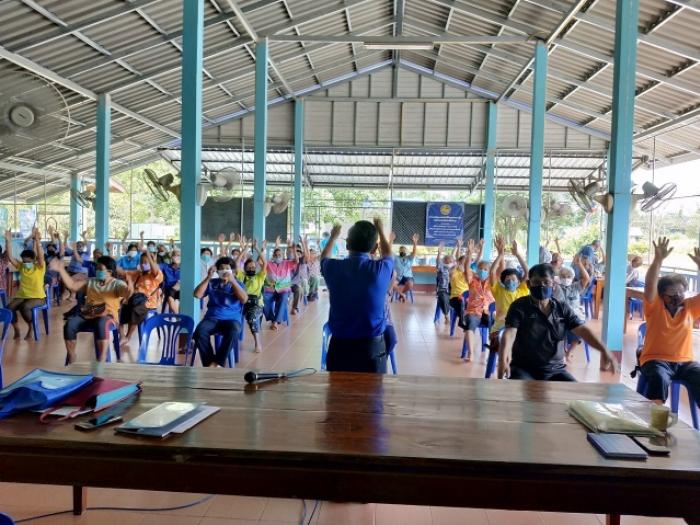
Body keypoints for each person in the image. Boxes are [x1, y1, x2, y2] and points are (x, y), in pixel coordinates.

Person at [498, 263, 618, 381]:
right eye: (536, 282)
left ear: (553, 285)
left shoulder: (562, 307)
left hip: (555, 370)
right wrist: (503, 358)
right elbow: (510, 333)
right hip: (523, 368)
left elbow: (581, 330)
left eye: (546, 282)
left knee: (576, 392)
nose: (541, 286)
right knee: (523, 392)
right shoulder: (519, 306)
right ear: (529, 284)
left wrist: (604, 349)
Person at [321, 218, 393, 373]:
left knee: (338, 389)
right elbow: (388, 254)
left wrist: (333, 237)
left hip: (339, 349)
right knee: (373, 390)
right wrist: (380, 230)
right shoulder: (381, 270)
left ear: (347, 245)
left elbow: (323, 258)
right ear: (374, 248)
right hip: (372, 350)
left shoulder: (333, 268)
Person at [637, 238, 700, 409]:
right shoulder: (654, 306)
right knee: (659, 377)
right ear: (662, 294)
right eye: (672, 292)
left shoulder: (690, 307)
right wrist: (658, 260)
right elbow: (650, 284)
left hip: (685, 362)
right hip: (655, 360)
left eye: (681, 292)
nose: (677, 296)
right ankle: (655, 415)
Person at [51, 255, 129, 364]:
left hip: (108, 317)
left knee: (101, 323)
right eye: (97, 268)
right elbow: (72, 286)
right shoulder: (91, 281)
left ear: (109, 271)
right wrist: (61, 270)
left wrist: (129, 283)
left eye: (100, 269)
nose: (97, 271)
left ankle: (101, 359)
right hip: (89, 315)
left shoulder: (117, 284)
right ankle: (72, 356)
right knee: (70, 324)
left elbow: (126, 292)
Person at [193, 257, 248, 367]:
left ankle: (218, 362)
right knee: (199, 332)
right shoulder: (212, 283)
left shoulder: (238, 284)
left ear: (232, 271)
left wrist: (233, 281)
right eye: (221, 268)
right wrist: (208, 277)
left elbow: (244, 299)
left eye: (227, 268)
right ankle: (210, 364)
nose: (224, 271)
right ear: (217, 271)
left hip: (231, 319)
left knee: (234, 331)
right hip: (212, 318)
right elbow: (197, 295)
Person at [488, 235, 529, 358]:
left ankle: (512, 361)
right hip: (499, 329)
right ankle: (504, 360)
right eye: (507, 279)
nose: (511, 281)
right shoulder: (498, 291)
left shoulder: (522, 291)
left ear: (519, 281)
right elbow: (492, 272)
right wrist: (500, 254)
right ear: (503, 281)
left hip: (518, 328)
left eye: (513, 279)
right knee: (503, 343)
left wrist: (518, 255)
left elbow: (527, 273)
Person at [4, 228, 46, 340]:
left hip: (38, 297)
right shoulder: (21, 266)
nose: (26, 263)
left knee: (25, 307)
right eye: (24, 261)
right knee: (9, 308)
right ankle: (17, 329)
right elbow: (10, 257)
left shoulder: (39, 267)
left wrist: (37, 240)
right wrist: (8, 241)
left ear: (33, 260)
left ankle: (31, 327)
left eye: (28, 261)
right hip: (22, 295)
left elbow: (40, 256)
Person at [120, 250, 163, 346]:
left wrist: (150, 257)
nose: (143, 264)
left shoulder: (156, 275)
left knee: (135, 309)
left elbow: (155, 270)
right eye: (141, 262)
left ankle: (128, 336)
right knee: (120, 309)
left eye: (146, 262)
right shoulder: (138, 274)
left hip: (148, 302)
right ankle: (122, 335)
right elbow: (125, 273)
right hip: (135, 299)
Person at [463, 239, 493, 361]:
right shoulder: (472, 280)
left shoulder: (492, 282)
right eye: (480, 268)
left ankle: (494, 353)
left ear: (489, 272)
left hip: (488, 312)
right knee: (470, 326)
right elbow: (466, 268)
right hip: (474, 312)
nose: (482, 271)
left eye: (485, 269)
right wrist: (470, 253)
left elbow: (499, 269)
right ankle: (471, 354)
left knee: (498, 327)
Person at [556, 255, 590, 360]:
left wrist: (579, 264)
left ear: (572, 277)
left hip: (574, 316)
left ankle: (569, 352)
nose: (566, 278)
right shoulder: (556, 287)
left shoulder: (576, 287)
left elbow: (586, 278)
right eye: (563, 276)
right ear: (559, 277)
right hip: (560, 317)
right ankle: (561, 350)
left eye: (568, 276)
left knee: (580, 329)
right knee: (556, 330)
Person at [238, 241, 267, 353]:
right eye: (249, 267)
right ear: (245, 268)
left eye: (253, 267)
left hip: (256, 304)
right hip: (242, 303)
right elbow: (236, 264)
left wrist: (257, 248)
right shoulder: (241, 276)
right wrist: (244, 250)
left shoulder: (259, 276)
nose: (251, 269)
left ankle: (257, 343)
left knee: (252, 318)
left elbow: (265, 263)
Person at [263, 237, 298, 330]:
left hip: (284, 289)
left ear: (282, 255)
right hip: (270, 290)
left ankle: (275, 322)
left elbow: (296, 261)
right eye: (276, 255)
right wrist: (263, 249)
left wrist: (294, 250)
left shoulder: (287, 263)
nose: (278, 256)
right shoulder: (269, 264)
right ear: (273, 256)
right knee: (263, 299)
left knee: (283, 299)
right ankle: (272, 318)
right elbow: (260, 261)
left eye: (279, 254)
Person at [435, 240, 459, 324]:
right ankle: (446, 316)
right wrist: (439, 252)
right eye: (449, 260)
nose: (451, 261)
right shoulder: (441, 267)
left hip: (454, 289)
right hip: (443, 290)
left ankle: (459, 315)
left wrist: (457, 246)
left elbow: (454, 255)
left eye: (451, 260)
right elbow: (438, 261)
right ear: (444, 261)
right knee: (444, 299)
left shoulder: (454, 266)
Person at [393, 232, 418, 302]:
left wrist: (415, 242)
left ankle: (401, 295)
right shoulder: (396, 258)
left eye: (404, 250)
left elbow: (414, 252)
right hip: (398, 277)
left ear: (406, 251)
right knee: (392, 284)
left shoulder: (409, 258)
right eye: (401, 250)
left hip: (408, 277)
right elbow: (389, 252)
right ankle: (402, 294)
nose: (402, 251)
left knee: (410, 284)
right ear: (399, 251)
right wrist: (391, 241)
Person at [290, 238, 310, 315]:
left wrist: (304, 243)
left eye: (299, 253)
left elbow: (307, 256)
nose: (297, 254)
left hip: (295, 283)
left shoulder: (301, 262)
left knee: (299, 289)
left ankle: (294, 308)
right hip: (285, 283)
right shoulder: (289, 261)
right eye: (296, 252)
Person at [161, 248, 181, 313]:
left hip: (180, 293)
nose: (177, 257)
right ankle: (176, 315)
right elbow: (156, 267)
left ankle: (177, 316)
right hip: (167, 292)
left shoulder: (184, 269)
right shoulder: (165, 266)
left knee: (177, 302)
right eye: (175, 255)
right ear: (171, 256)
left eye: (179, 255)